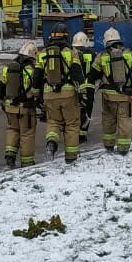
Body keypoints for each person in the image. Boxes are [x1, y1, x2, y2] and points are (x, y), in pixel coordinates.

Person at [36, 25, 85, 163]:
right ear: (66, 35)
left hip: (49, 94)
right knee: (72, 124)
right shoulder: (71, 52)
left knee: (53, 122)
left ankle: (51, 143)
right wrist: (83, 92)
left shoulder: (42, 53)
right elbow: (77, 74)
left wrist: (37, 95)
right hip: (68, 94)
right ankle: (71, 157)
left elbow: (37, 76)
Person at [93, 28, 132, 154]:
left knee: (108, 119)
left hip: (108, 96)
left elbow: (94, 74)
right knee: (124, 119)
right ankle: (123, 147)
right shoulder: (129, 54)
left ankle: (109, 145)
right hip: (125, 95)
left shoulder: (102, 56)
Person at [0, 41, 40, 168]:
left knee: (12, 130)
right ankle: (27, 162)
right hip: (25, 109)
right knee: (27, 134)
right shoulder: (32, 69)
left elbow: (1, 89)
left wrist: (3, 102)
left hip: (10, 107)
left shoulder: (8, 67)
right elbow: (36, 89)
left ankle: (10, 155)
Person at [71, 31, 96, 142]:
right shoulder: (92, 54)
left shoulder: (72, 54)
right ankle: (82, 134)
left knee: (74, 109)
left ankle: (72, 132)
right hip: (89, 87)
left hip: (76, 86)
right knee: (87, 110)